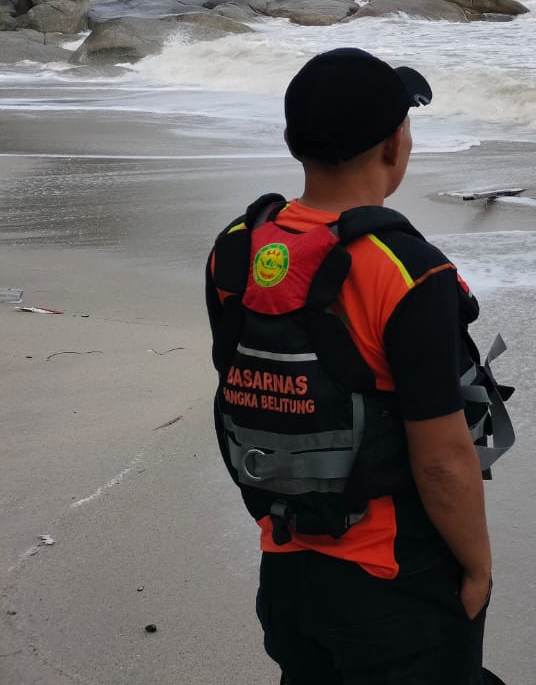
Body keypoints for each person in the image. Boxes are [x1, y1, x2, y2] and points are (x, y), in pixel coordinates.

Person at [205, 47, 512, 684]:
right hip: (393, 576)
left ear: (294, 142)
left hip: (285, 566)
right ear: (395, 146)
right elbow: (442, 457)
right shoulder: (406, 270)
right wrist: (478, 567)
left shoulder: (237, 250)